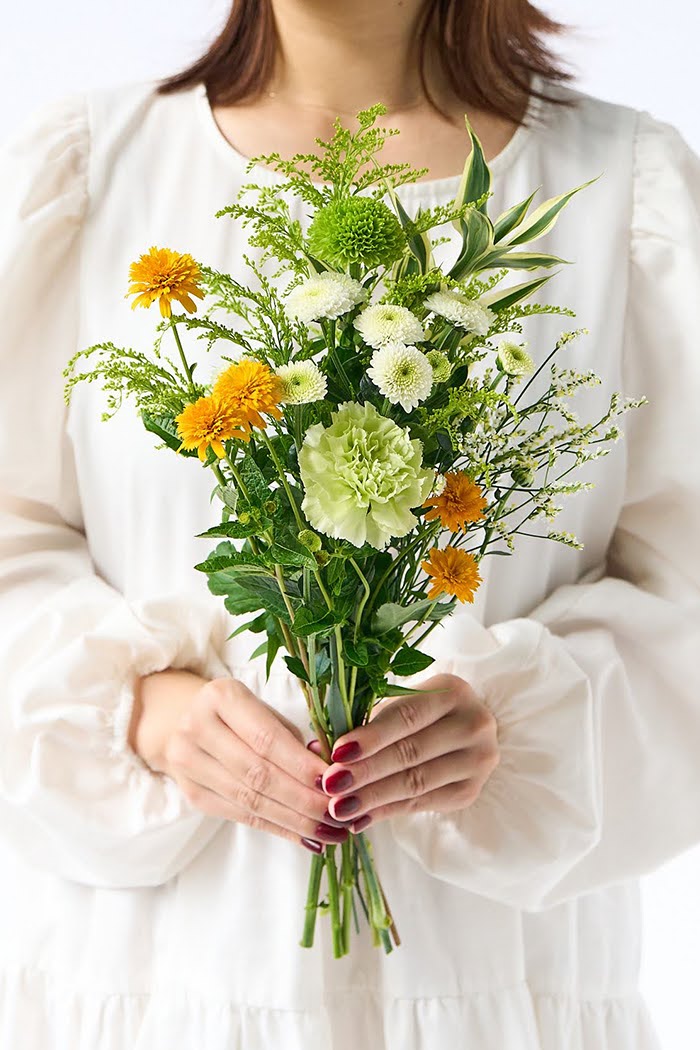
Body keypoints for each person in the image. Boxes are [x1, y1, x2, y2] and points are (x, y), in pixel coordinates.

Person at [0, 1, 698, 1047]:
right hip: (162, 986)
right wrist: (142, 712)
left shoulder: (616, 190)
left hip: (498, 988)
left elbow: (685, 588)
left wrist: (521, 721)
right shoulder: (96, 171)